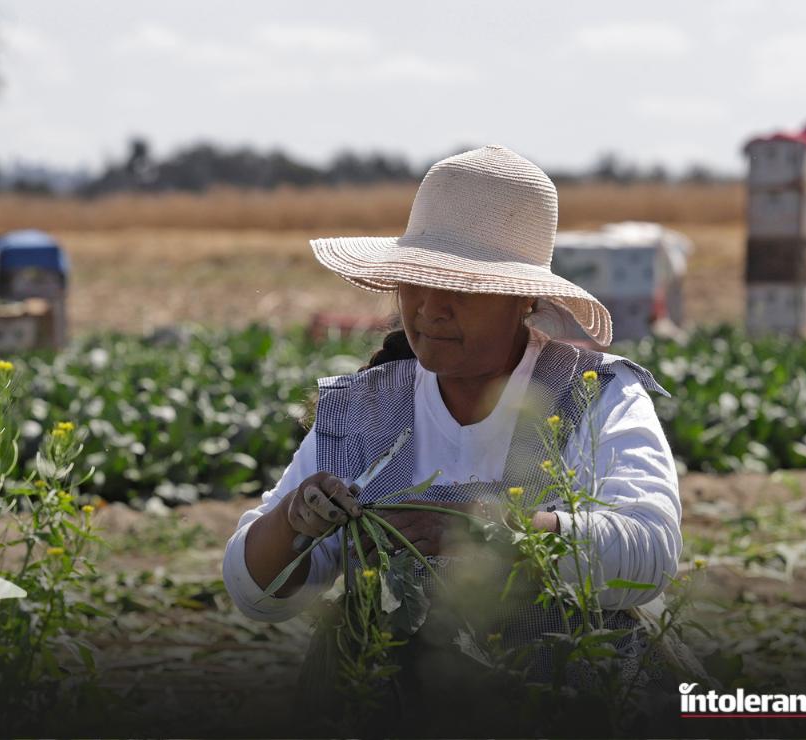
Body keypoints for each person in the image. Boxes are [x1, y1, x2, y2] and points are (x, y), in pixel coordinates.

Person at [221, 145, 683, 722]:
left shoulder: (593, 394)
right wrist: (296, 519)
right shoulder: (365, 408)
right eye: (415, 282)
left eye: (460, 287)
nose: (430, 308)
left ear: (523, 299)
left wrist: (488, 532)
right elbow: (253, 591)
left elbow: (650, 553)